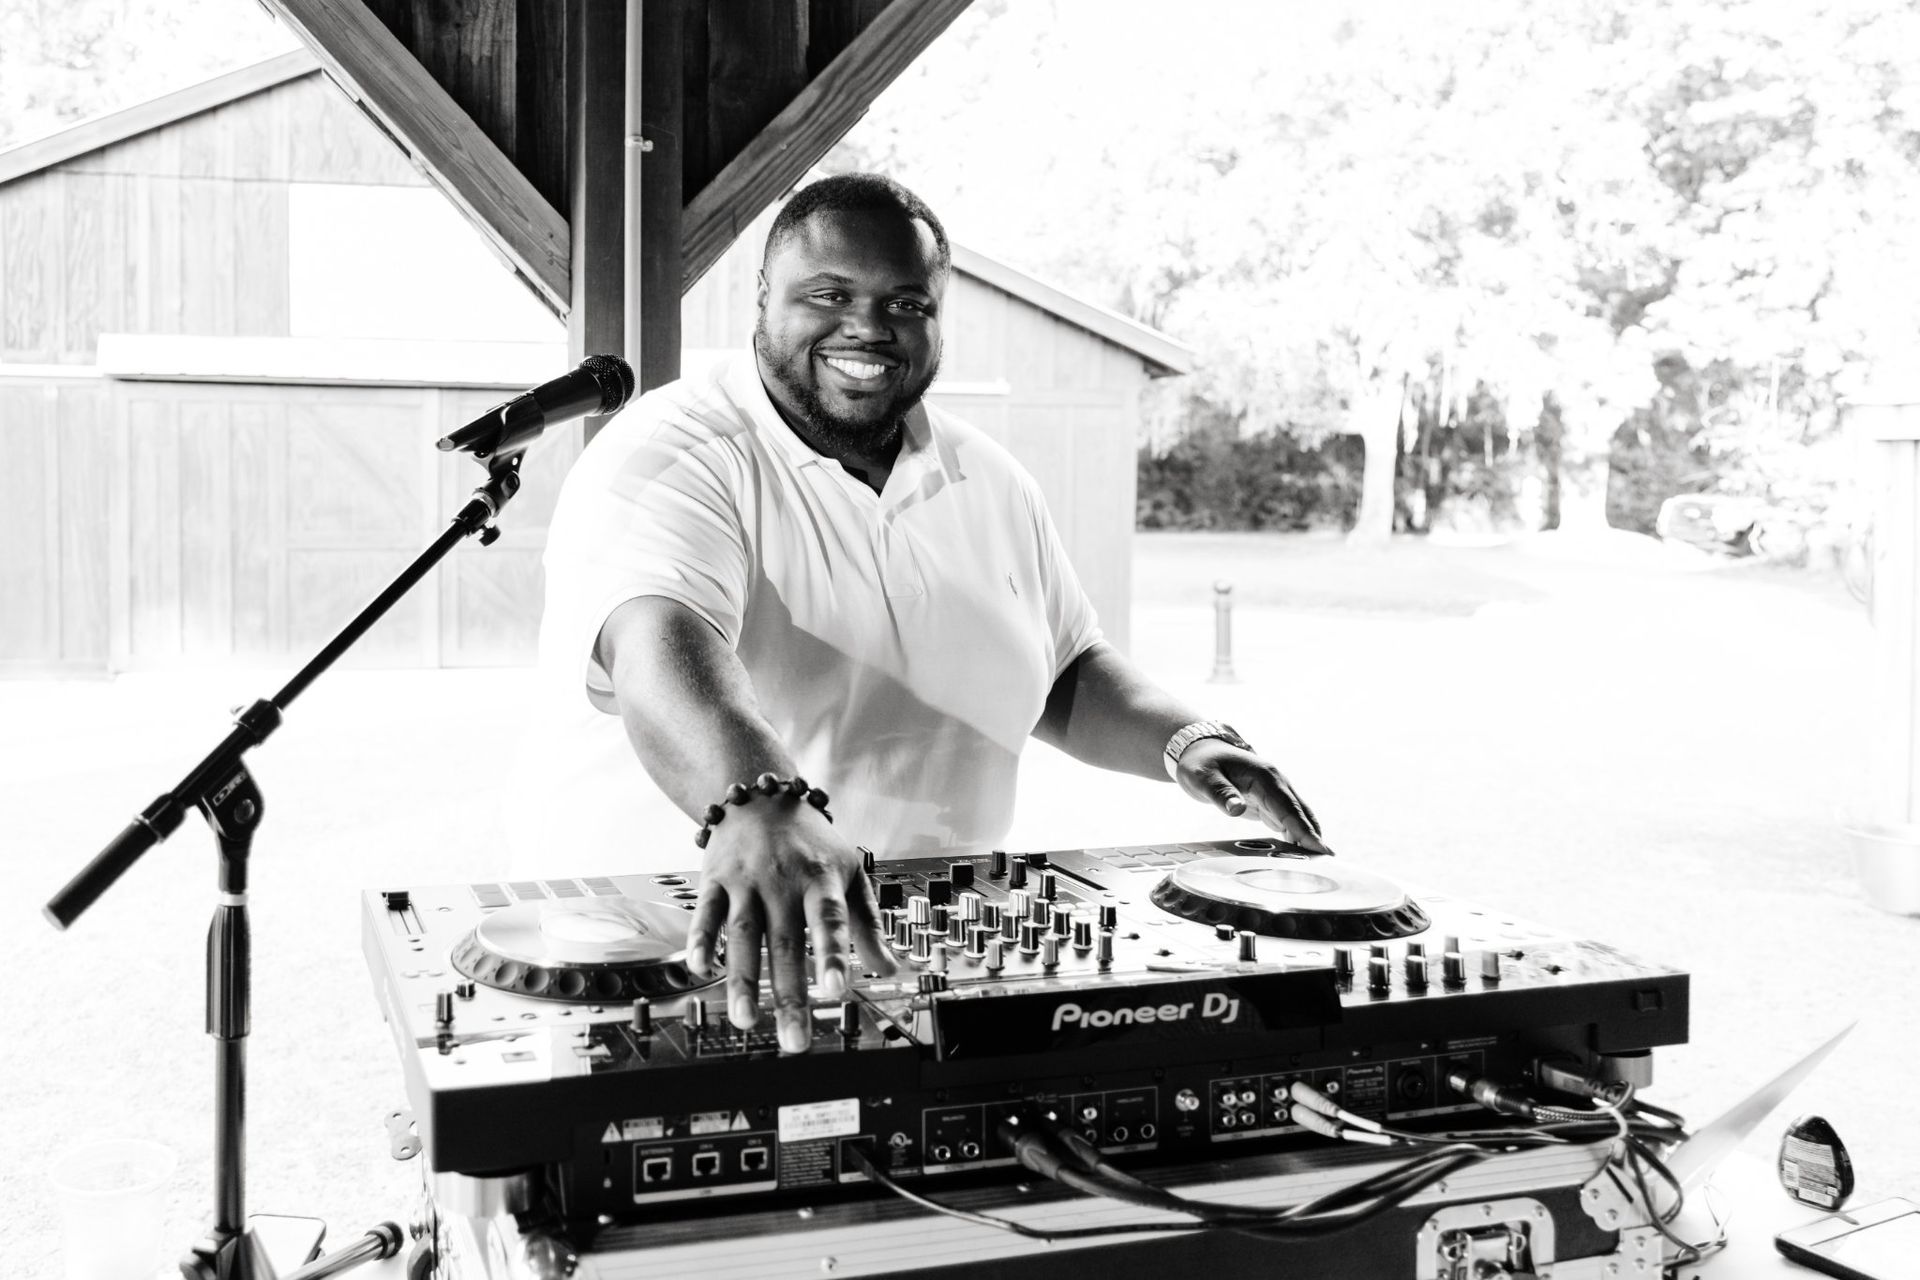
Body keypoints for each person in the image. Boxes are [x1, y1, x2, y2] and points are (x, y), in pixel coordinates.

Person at [532, 173, 1328, 1054]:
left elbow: (1064, 671)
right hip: (689, 966)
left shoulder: (990, 477)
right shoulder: (669, 452)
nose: (868, 327)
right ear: (762, 299)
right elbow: (661, 652)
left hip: (927, 961)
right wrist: (760, 805)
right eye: (829, 294)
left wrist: (1187, 741)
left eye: (905, 301)